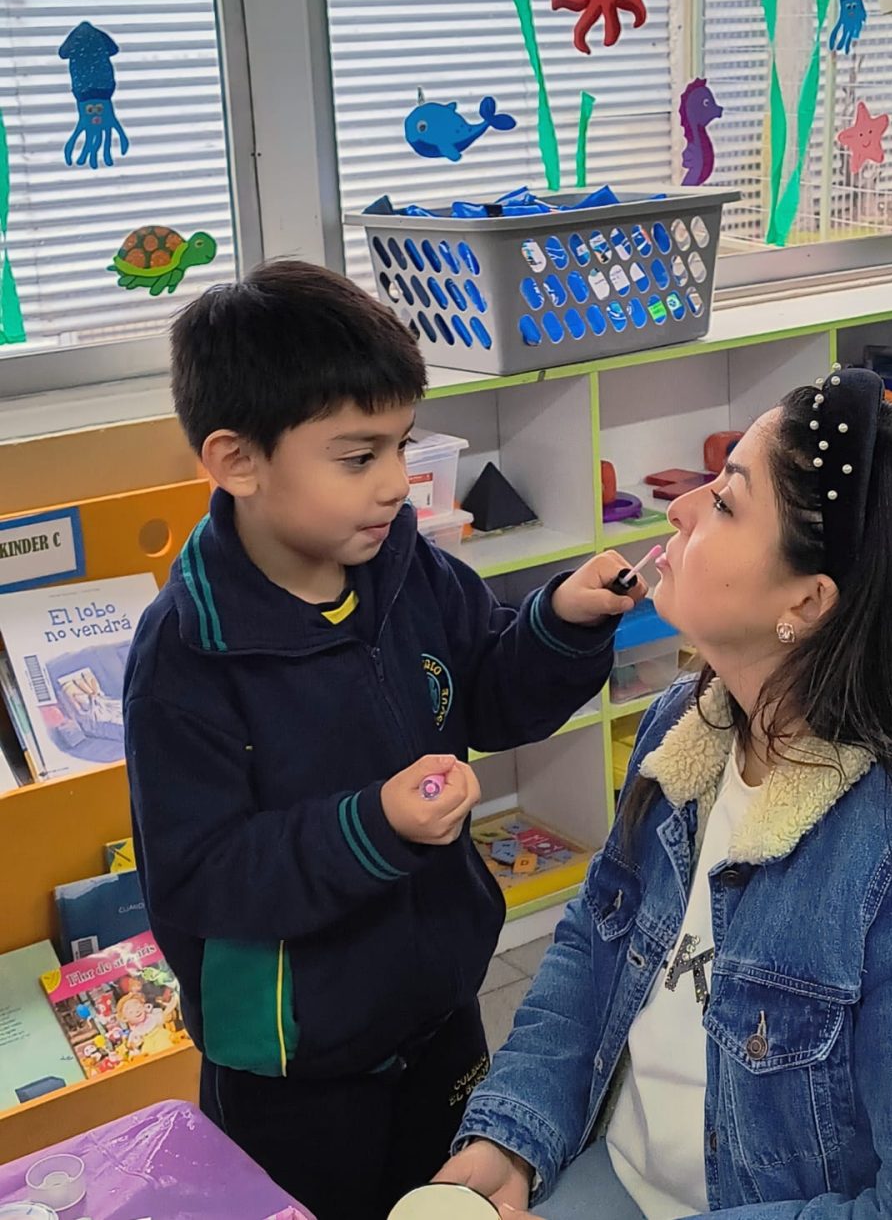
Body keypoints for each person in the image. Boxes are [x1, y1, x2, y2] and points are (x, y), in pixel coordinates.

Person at [123, 260, 642, 1220]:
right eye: (359, 457)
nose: (399, 485)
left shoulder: (405, 565)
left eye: (404, 446)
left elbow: (487, 690)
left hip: (442, 1010)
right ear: (237, 461)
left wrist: (560, 623)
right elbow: (199, 875)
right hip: (293, 1064)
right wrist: (374, 826)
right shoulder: (188, 654)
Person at [438, 367, 892, 1218]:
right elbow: (596, 940)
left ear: (807, 603)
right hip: (617, 1177)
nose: (682, 508)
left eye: (728, 502)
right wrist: (512, 1132)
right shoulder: (687, 723)